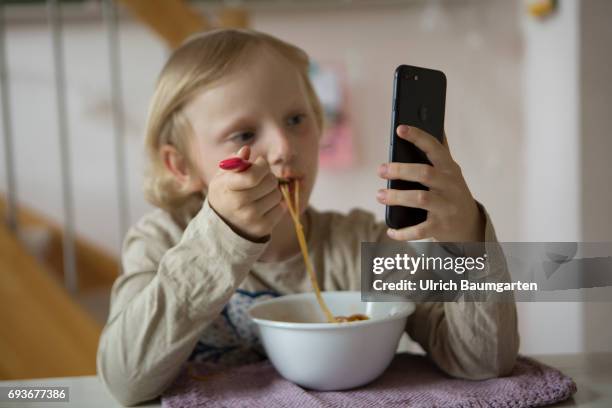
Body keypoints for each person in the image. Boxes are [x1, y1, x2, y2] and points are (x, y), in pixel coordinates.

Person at [97, 28, 519, 406]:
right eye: (245, 134)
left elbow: (480, 363)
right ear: (181, 167)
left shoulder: (361, 246)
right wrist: (222, 237)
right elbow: (124, 380)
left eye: (296, 119)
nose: (283, 147)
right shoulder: (159, 242)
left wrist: (467, 236)